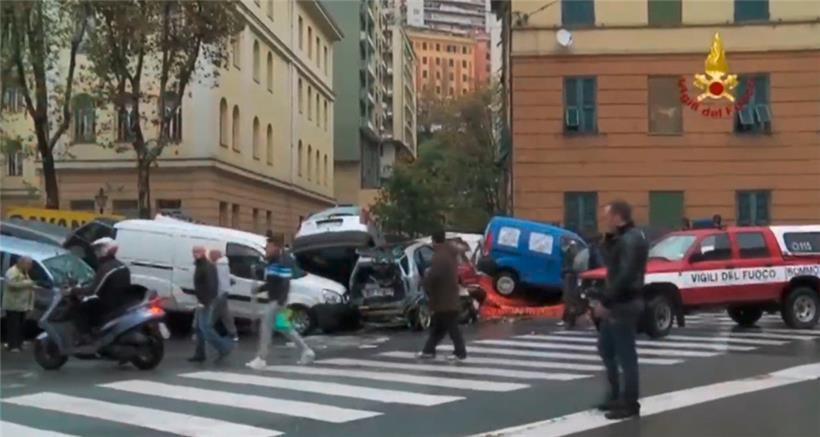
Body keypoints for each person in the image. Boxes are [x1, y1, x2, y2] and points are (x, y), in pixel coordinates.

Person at [593, 200, 648, 420]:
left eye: (609, 217)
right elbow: (615, 267)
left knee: (626, 354)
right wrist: (608, 244)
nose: (606, 221)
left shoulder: (631, 239)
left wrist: (606, 302)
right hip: (620, 301)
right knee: (606, 347)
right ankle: (616, 395)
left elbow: (624, 275)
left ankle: (629, 403)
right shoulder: (626, 238)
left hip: (623, 303)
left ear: (617, 217)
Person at [246, 238, 315, 370]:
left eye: (268, 247)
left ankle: (261, 358)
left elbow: (283, 283)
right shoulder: (275, 261)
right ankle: (306, 351)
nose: (266, 249)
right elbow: (273, 282)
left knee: (265, 327)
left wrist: (279, 301)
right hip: (278, 300)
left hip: (277, 301)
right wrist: (259, 289)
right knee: (284, 328)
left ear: (276, 247)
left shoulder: (281, 262)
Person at [418, 230, 467, 362]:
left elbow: (435, 276)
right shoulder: (449, 252)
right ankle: (428, 350)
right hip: (449, 296)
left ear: (434, 241)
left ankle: (460, 352)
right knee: (440, 327)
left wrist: (424, 283)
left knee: (451, 327)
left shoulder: (439, 256)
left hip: (444, 299)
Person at [73, 238, 131, 340]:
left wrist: (74, 290)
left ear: (105, 250)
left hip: (109, 305)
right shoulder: (121, 266)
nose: (96, 252)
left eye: (98, 249)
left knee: (81, 309)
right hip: (121, 302)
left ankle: (85, 338)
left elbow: (93, 290)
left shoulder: (106, 268)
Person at [186, 246, 233, 363]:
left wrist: (204, 302)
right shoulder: (201, 265)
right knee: (199, 328)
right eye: (193, 252)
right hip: (202, 300)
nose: (195, 254)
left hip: (205, 301)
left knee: (205, 327)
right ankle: (200, 353)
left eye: (197, 252)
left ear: (203, 253)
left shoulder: (206, 266)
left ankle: (224, 348)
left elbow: (211, 285)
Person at [3, 256, 35, 352]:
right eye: (28, 264)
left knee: (21, 326)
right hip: (13, 305)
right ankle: (12, 345)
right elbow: (12, 285)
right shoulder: (12, 272)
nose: (30, 267)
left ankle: (19, 344)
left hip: (22, 305)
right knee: (14, 326)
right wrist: (29, 283)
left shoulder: (23, 272)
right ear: (22, 263)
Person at [209, 249, 238, 341]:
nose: (210, 257)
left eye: (211, 255)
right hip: (224, 292)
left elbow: (218, 280)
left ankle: (205, 331)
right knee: (225, 314)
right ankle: (233, 333)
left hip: (219, 292)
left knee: (212, 313)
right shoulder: (224, 265)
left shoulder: (218, 266)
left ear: (217, 256)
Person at [559, 239, 583, 329]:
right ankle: (568, 320)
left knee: (570, 300)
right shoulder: (573, 255)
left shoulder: (571, 255)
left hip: (571, 278)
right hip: (571, 278)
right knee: (570, 300)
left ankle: (568, 320)